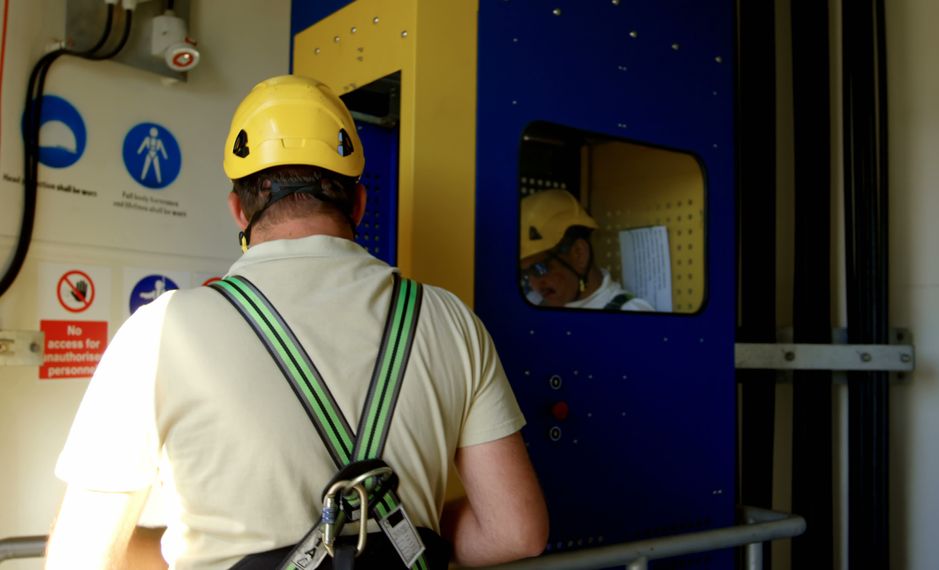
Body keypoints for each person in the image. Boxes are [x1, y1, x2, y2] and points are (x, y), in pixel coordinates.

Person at [46, 75, 548, 569]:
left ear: (238, 210)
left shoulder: (159, 332)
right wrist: (399, 533)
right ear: (358, 203)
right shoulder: (449, 319)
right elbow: (515, 531)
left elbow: (80, 558)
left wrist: (186, 549)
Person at [519, 189, 654, 311]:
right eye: (525, 273)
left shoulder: (629, 315)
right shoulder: (531, 305)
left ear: (579, 253)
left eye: (539, 268)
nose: (534, 284)